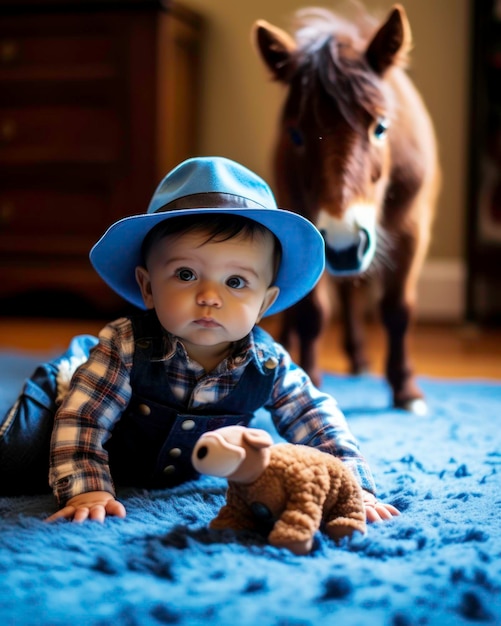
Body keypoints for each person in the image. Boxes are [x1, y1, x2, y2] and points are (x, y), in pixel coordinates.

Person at [0, 156, 399, 525]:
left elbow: (318, 421)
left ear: (264, 304)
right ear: (148, 287)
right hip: (75, 389)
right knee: (16, 459)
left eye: (236, 282)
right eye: (187, 275)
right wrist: (87, 489)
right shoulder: (125, 348)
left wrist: (354, 487)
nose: (210, 296)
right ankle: (72, 366)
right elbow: (83, 420)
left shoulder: (269, 364)